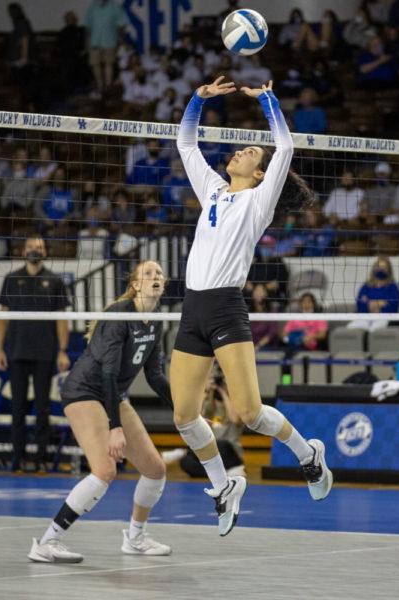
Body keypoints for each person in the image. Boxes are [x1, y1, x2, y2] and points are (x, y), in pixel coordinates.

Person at [173, 76, 332, 537]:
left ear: (260, 174)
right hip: (193, 310)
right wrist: (197, 100)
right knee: (184, 416)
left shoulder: (258, 202)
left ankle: (308, 455)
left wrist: (268, 101)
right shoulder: (214, 191)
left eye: (250, 153)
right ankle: (224, 486)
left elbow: (284, 148)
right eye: (242, 149)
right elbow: (185, 143)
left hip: (225, 308)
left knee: (249, 413)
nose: (242, 151)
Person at [28, 261, 172, 563]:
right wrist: (115, 428)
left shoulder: (157, 319)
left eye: (159, 273)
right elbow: (107, 373)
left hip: (112, 394)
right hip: (84, 390)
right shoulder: (119, 315)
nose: (155, 277)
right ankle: (46, 542)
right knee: (105, 470)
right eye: (148, 273)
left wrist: (185, 409)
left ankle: (135, 538)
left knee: (155, 470)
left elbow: (155, 375)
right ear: (135, 284)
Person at [0, 235, 71, 473]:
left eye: (39, 247)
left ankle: (40, 459)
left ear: (45, 252)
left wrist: (62, 351)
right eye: (31, 247)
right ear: (23, 251)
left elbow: (62, 320)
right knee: (17, 408)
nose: (35, 251)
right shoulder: (12, 279)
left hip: (45, 353)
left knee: (42, 408)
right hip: (17, 352)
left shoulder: (55, 280)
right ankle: (17, 459)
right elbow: (3, 316)